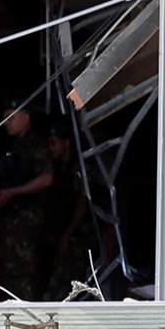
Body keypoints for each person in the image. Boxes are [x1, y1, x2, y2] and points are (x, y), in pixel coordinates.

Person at [0, 99, 54, 300]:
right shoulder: (11, 147)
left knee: (23, 272)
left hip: (28, 218)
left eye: (11, 118)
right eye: (4, 119)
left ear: (26, 118)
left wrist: (13, 192)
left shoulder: (36, 145)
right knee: (7, 269)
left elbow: (47, 178)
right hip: (10, 218)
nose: (7, 123)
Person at [44, 122, 101, 301]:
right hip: (61, 237)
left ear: (66, 143)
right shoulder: (57, 169)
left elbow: (83, 203)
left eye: (54, 143)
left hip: (77, 240)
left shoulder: (79, 169)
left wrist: (67, 235)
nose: (50, 148)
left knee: (69, 290)